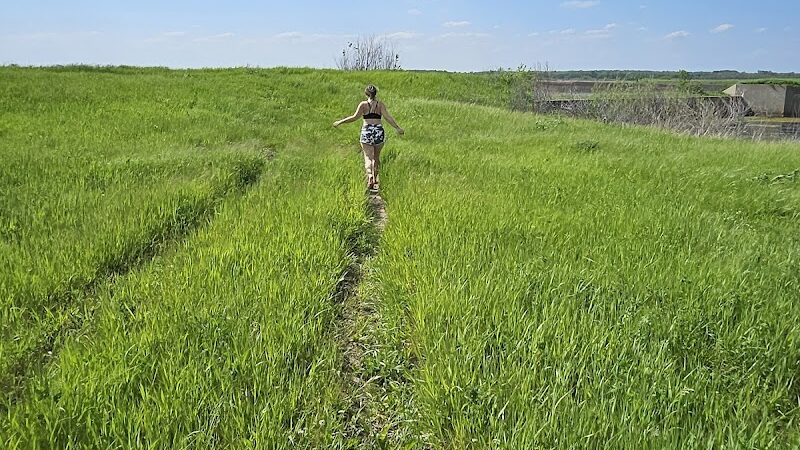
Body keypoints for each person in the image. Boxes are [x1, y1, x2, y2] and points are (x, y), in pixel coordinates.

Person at [333, 84, 404, 191]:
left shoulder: (363, 105)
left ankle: (370, 175)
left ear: (366, 93)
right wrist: (397, 128)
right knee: (376, 157)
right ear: (376, 93)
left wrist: (340, 122)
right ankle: (375, 178)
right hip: (378, 131)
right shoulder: (380, 105)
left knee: (368, 157)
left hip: (367, 131)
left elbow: (354, 117)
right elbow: (388, 117)